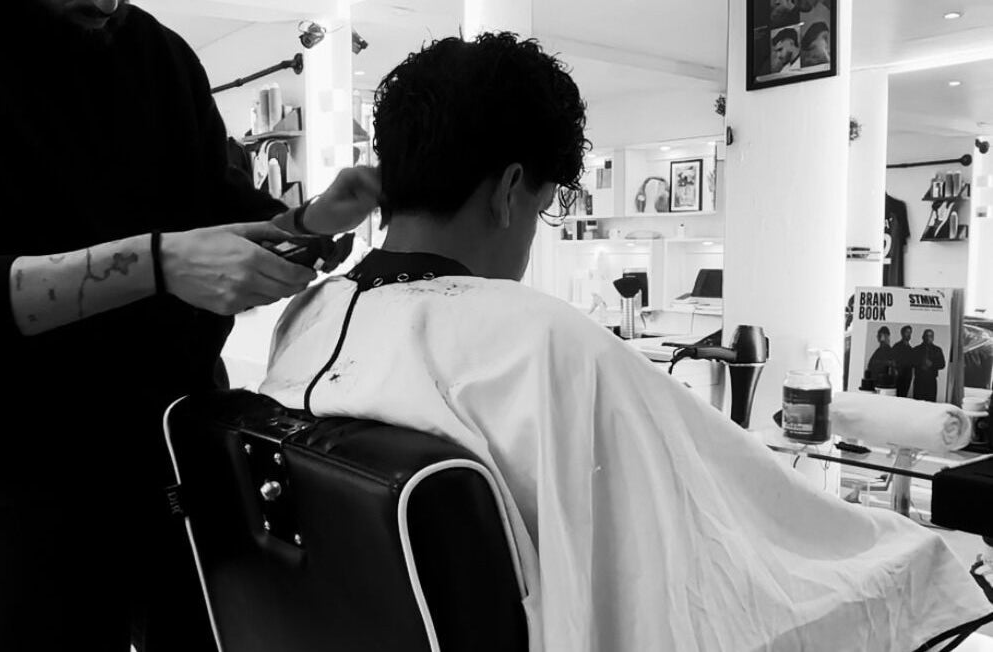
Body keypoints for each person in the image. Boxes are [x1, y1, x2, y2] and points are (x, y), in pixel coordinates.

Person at [260, 33, 992, 652]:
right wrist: (918, 557)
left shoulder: (310, 316)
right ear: (511, 189)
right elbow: (716, 575)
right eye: (545, 208)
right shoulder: (536, 341)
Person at [0, 0, 378, 650]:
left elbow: (215, 214)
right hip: (20, 499)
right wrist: (155, 263)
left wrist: (303, 225)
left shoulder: (153, 53)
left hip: (189, 476)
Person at [913, 328, 949, 401]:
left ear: (933, 338)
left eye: (931, 336)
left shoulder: (937, 350)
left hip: (931, 381)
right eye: (927, 335)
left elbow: (942, 364)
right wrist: (920, 362)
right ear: (923, 337)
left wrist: (932, 364)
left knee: (931, 403)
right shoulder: (916, 349)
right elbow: (911, 363)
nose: (928, 338)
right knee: (917, 404)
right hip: (919, 381)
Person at [893, 324, 916, 397]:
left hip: (907, 377)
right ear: (902, 333)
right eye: (907, 332)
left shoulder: (911, 349)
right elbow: (892, 361)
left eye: (910, 332)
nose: (909, 334)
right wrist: (895, 372)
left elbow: (912, 364)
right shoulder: (896, 346)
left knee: (904, 396)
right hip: (898, 377)